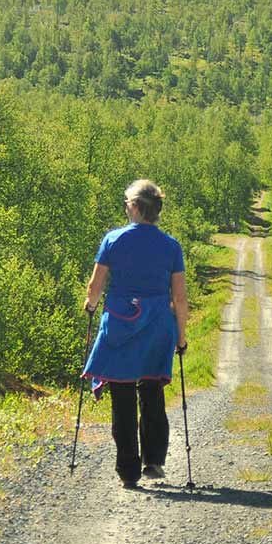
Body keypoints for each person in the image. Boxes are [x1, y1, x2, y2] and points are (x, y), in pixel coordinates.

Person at [82, 179, 189, 489]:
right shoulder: (171, 246)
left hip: (120, 324)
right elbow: (179, 298)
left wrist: (90, 306)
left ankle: (128, 471)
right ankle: (153, 460)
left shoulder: (113, 240)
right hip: (158, 326)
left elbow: (95, 286)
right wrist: (180, 338)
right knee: (152, 390)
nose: (125, 208)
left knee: (123, 395)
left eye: (127, 203)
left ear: (137, 207)